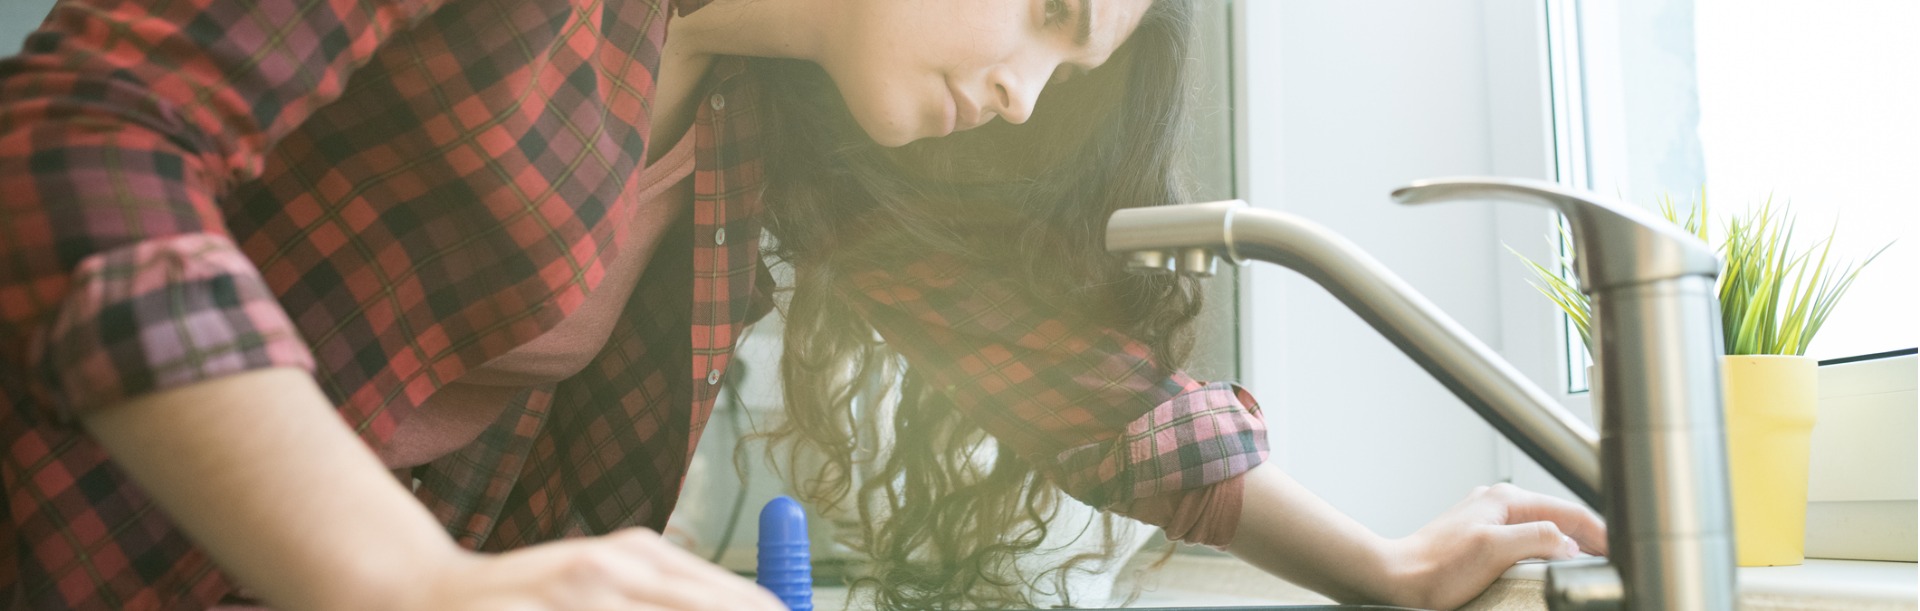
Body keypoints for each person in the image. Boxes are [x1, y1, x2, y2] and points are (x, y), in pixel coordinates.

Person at [0, 0, 1609, 607]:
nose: (1032, 92)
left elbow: (1063, 383)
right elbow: (81, 137)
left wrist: (1384, 572)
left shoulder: (767, 126)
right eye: (1048, 9)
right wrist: (402, 579)